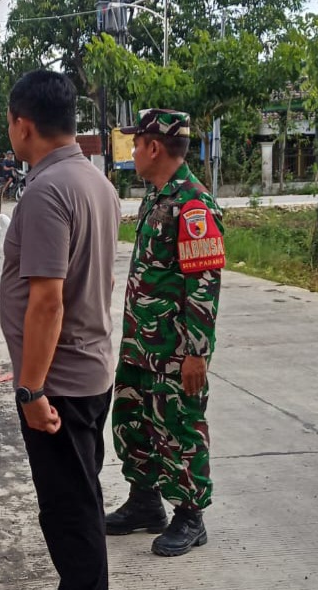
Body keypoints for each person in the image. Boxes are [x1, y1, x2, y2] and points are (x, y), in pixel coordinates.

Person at [0, 70, 120, 590]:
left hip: (61, 384)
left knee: (71, 511)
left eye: (10, 124)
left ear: (24, 124)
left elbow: (46, 300)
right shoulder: (93, 180)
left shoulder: (48, 192)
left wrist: (31, 388)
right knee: (76, 502)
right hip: (88, 371)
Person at [105, 109, 225, 557]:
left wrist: (196, 353)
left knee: (179, 429)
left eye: (137, 143)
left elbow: (204, 285)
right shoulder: (156, 198)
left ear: (154, 147)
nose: (133, 150)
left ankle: (191, 516)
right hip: (141, 345)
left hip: (175, 351)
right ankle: (144, 503)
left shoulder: (193, 206)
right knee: (134, 423)